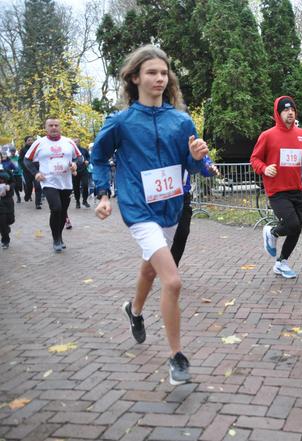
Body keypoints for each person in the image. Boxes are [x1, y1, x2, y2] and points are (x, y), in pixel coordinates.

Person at [92, 45, 209, 386]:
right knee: (171, 280)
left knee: (149, 267)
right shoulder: (121, 122)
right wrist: (102, 194)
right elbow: (97, 157)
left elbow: (192, 164)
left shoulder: (181, 120)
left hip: (171, 208)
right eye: (151, 73)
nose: (159, 78)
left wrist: (200, 158)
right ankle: (176, 357)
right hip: (139, 209)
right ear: (134, 77)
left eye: (163, 73)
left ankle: (135, 310)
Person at [250, 96, 302, 279]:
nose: (290, 112)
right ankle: (272, 231)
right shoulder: (267, 136)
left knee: (297, 227)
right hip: (277, 190)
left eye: (292, 109)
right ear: (278, 114)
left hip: (296, 188)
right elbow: (254, 159)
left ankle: (281, 263)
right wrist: (264, 168)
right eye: (285, 110)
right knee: (292, 224)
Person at [23, 118, 81, 252]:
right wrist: (35, 173)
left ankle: (59, 236)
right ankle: (56, 239)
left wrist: (75, 164)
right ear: (46, 127)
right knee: (56, 208)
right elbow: (27, 160)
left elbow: (79, 157)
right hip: (48, 181)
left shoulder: (68, 142)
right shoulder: (39, 143)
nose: (54, 127)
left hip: (65, 182)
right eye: (51, 125)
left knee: (63, 211)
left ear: (60, 127)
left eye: (56, 125)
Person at [170, 157, 218, 266]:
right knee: (158, 236)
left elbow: (201, 159)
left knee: (183, 232)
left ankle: (172, 266)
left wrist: (209, 167)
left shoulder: (188, 141)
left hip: (182, 195)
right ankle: (156, 267)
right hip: (159, 197)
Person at [19, 136, 42, 209]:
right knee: (29, 186)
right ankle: (27, 195)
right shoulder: (23, 150)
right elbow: (20, 160)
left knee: (38, 186)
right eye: (29, 140)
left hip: (36, 171)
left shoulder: (37, 148)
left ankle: (38, 203)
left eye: (32, 140)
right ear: (25, 142)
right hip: (27, 172)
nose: (31, 141)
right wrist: (24, 168)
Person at [72, 139, 91, 208]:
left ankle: (85, 200)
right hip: (75, 171)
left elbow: (89, 157)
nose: (74, 143)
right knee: (76, 187)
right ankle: (77, 201)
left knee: (85, 185)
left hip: (84, 170)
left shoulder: (84, 150)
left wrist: (88, 161)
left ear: (79, 142)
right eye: (73, 142)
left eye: (75, 141)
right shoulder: (71, 151)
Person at [0, 168, 15, 249]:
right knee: (2, 223)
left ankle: (6, 228)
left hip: (8, 199)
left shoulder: (6, 170)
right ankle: (5, 240)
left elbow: (13, 181)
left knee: (10, 219)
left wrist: (9, 186)